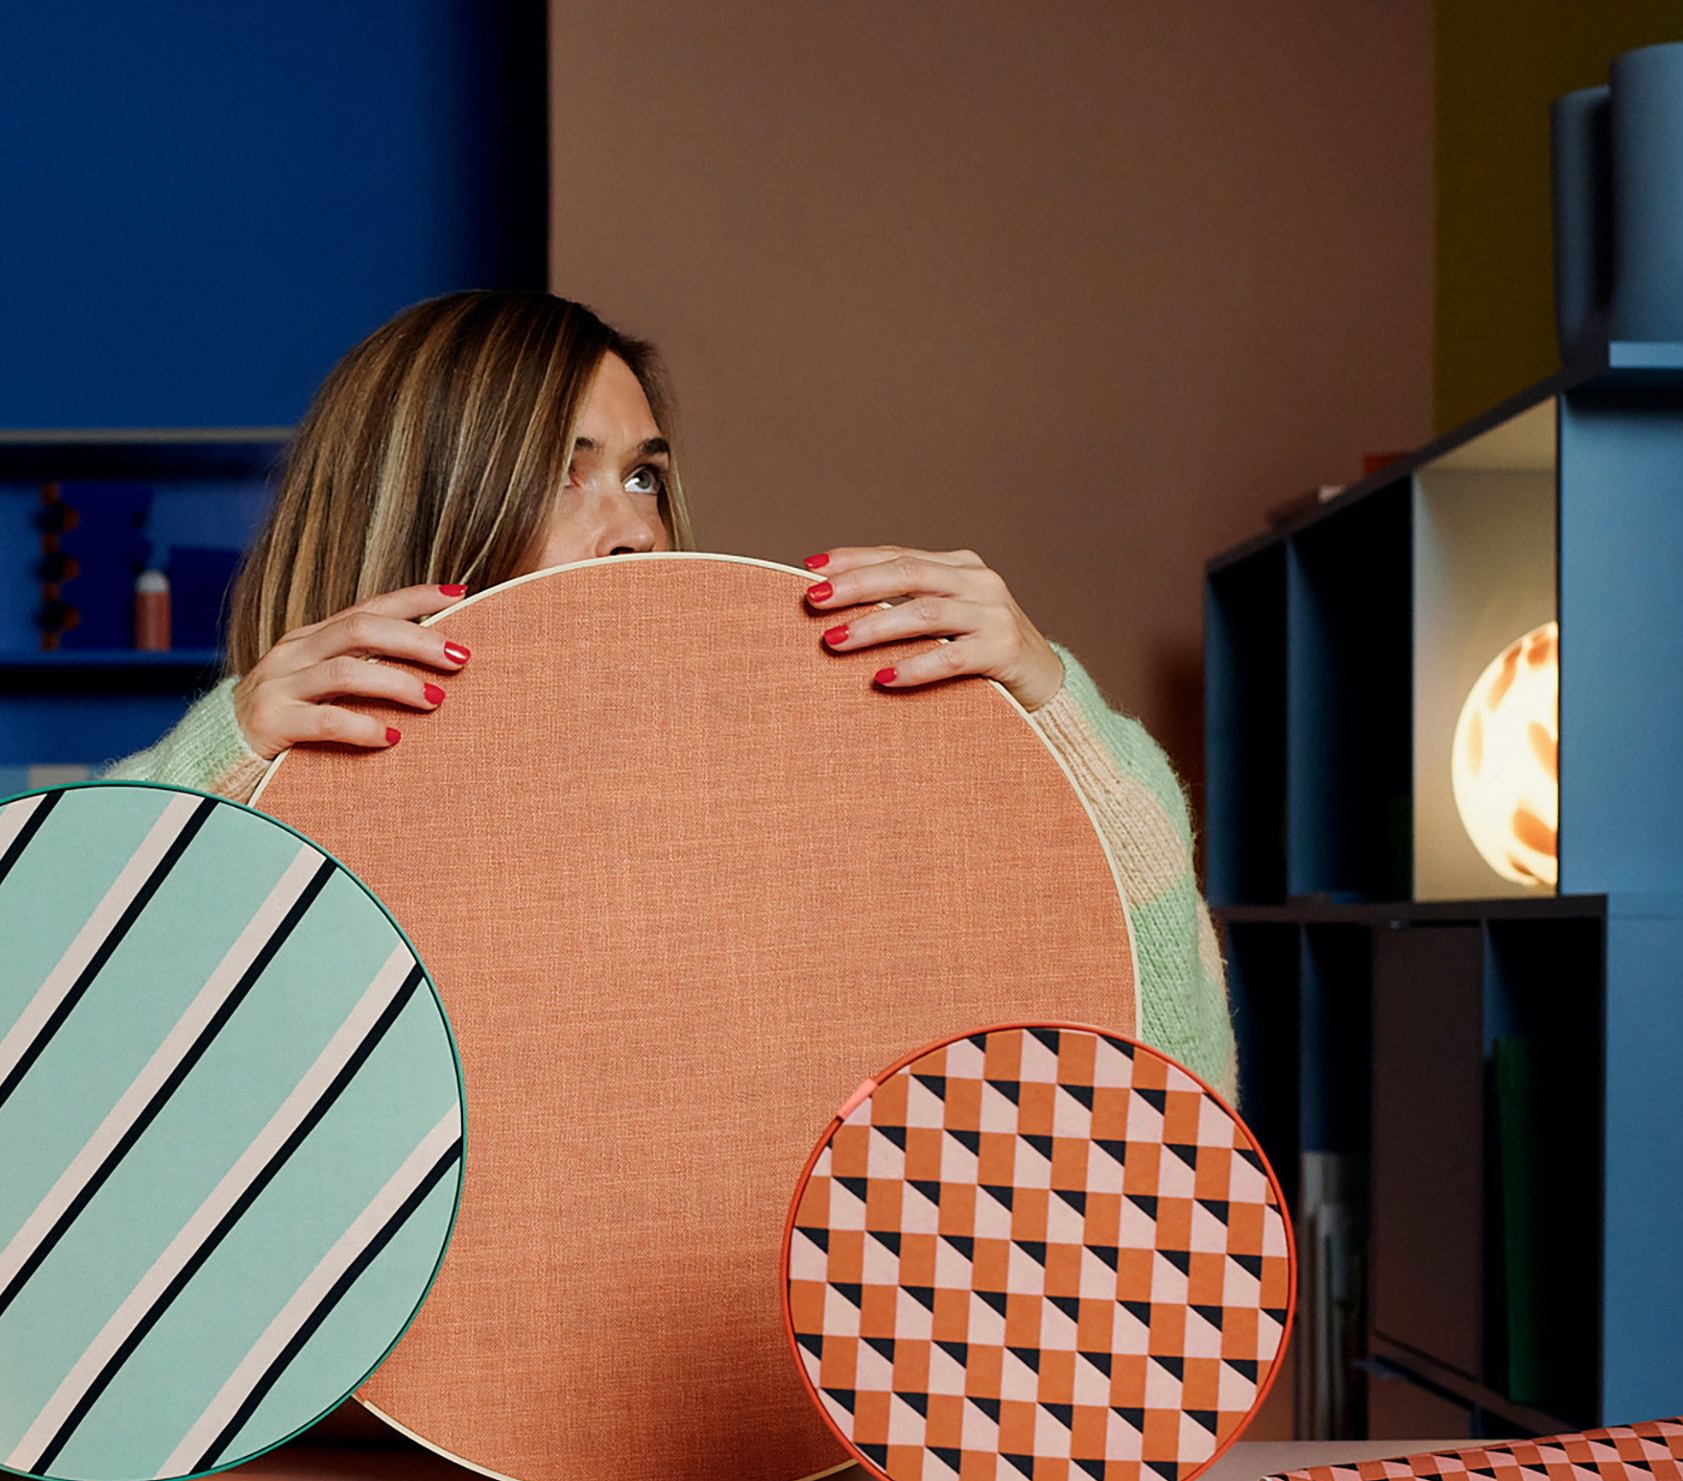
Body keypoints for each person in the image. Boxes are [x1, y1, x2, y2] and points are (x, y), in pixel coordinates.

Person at [111, 291, 1233, 1096]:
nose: (633, 530)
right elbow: (55, 1056)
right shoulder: (272, 780)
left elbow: (1167, 1103)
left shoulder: (780, 807)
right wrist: (215, 765)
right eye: (562, 476)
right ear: (426, 508)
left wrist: (1052, 717)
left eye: (642, 475)